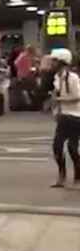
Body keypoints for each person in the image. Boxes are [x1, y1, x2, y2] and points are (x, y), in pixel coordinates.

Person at [49, 48, 80, 188]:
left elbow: (78, 96)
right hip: (63, 116)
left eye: (54, 61)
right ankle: (62, 175)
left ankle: (78, 177)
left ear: (61, 62)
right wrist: (55, 108)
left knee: (72, 148)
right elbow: (56, 95)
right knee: (57, 146)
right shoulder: (57, 78)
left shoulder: (73, 78)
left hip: (75, 116)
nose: (51, 63)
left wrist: (60, 100)